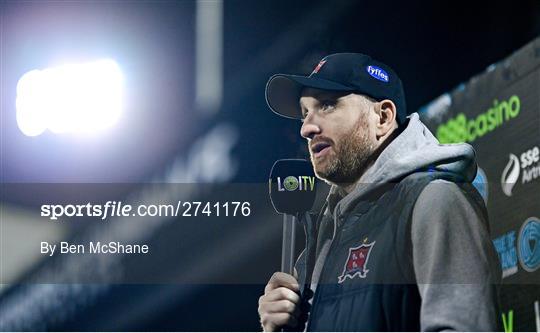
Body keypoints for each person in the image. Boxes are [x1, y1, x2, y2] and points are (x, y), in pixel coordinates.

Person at [258, 53, 502, 331]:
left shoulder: (433, 200)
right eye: (305, 114)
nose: (307, 128)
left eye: (327, 105)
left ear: (383, 117)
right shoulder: (315, 249)